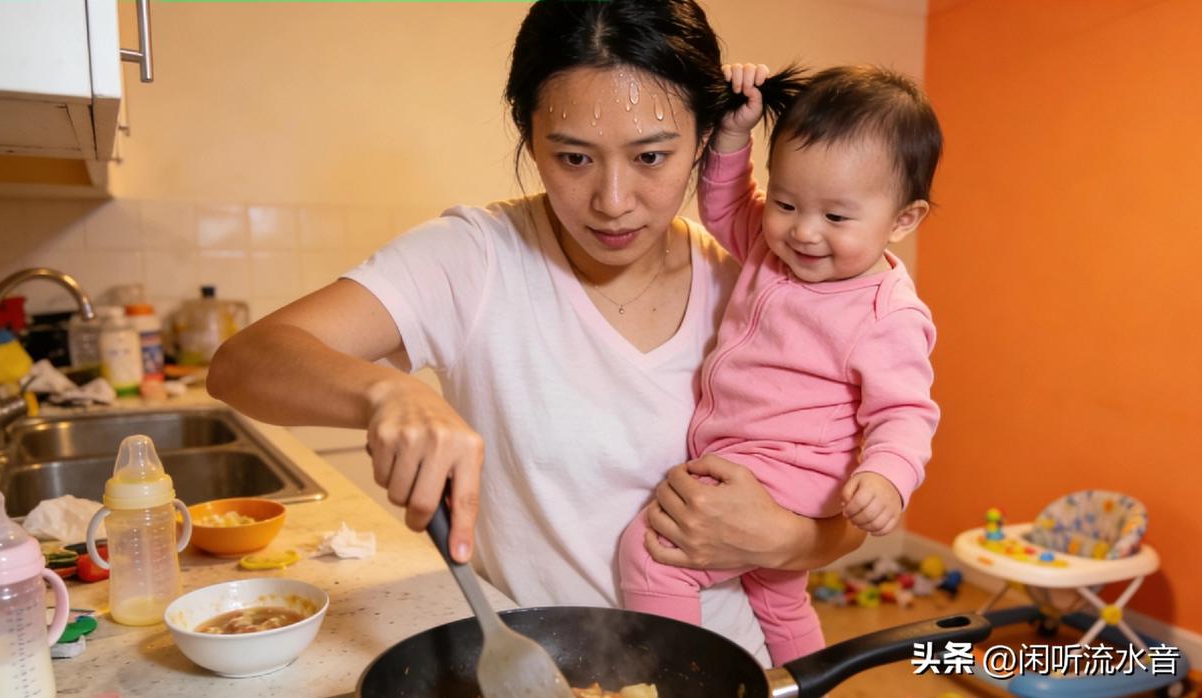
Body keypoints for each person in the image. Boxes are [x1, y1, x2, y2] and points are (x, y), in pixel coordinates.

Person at [207, 1, 864, 661]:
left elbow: (847, 502)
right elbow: (243, 363)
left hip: (729, 665)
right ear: (528, 137)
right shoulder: (477, 258)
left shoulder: (756, 288)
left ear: (703, 139)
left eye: (651, 157)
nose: (612, 200)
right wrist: (385, 392)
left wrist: (789, 542)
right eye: (574, 158)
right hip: (543, 668)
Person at [618, 62, 943, 665]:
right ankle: (806, 681)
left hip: (793, 472)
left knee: (653, 551)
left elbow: (905, 413)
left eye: (837, 217)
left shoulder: (885, 314)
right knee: (780, 597)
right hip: (764, 462)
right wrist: (735, 137)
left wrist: (888, 477)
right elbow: (724, 207)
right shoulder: (772, 252)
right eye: (787, 202)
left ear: (903, 220)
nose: (805, 232)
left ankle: (675, 678)